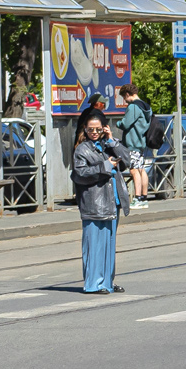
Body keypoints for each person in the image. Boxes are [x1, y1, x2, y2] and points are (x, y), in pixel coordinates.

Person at [72, 107, 129, 294]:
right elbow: (80, 174)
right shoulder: (82, 149)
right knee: (94, 245)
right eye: (90, 130)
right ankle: (93, 284)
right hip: (94, 203)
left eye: (98, 129)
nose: (94, 133)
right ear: (85, 130)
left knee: (109, 246)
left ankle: (107, 283)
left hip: (112, 202)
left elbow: (127, 160)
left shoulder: (109, 145)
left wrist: (112, 140)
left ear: (105, 128)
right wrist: (105, 166)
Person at [119, 83, 153, 209]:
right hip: (142, 142)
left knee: (134, 170)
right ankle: (144, 198)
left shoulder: (133, 107)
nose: (124, 101)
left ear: (127, 94)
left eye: (124, 97)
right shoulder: (146, 106)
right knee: (141, 169)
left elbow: (126, 124)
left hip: (133, 142)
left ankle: (137, 198)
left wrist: (118, 123)